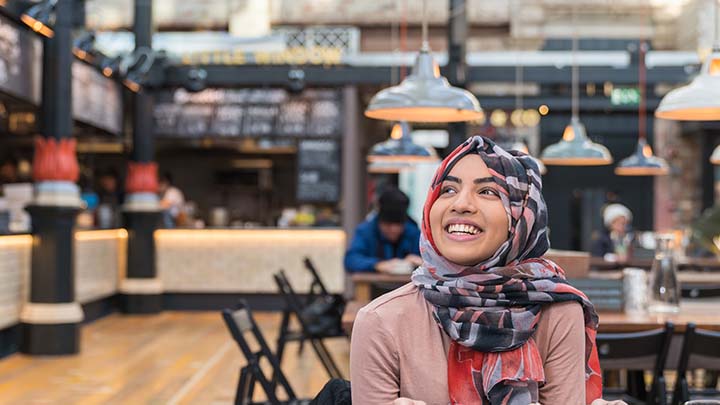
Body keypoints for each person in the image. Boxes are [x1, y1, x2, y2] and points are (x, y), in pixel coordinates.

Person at [350, 136, 611, 404]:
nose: (460, 204)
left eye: (488, 192)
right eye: (448, 190)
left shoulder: (558, 313)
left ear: (522, 217)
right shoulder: (380, 322)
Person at [344, 188, 421, 273]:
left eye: (398, 224)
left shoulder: (413, 232)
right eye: (388, 225)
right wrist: (378, 265)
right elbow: (351, 260)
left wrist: (421, 262)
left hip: (409, 284)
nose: (394, 229)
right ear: (380, 221)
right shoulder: (366, 231)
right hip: (374, 285)